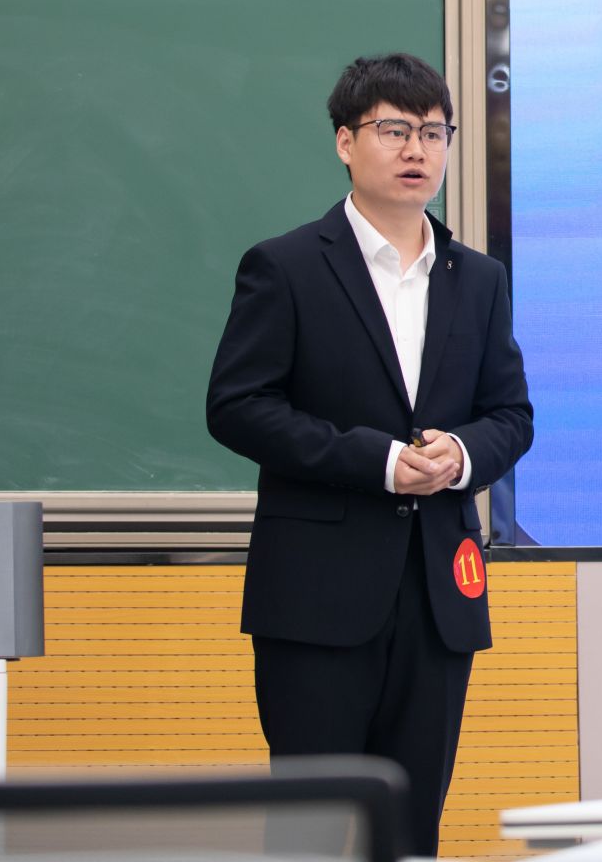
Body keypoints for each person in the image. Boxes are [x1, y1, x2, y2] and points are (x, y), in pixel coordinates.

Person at [208, 53, 534, 854]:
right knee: (315, 829)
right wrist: (377, 461)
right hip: (317, 599)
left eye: (434, 131)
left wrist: (461, 453)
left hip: (438, 596)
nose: (416, 148)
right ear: (345, 142)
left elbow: (511, 415)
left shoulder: (478, 278)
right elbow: (237, 406)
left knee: (412, 827)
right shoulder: (286, 265)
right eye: (394, 129)